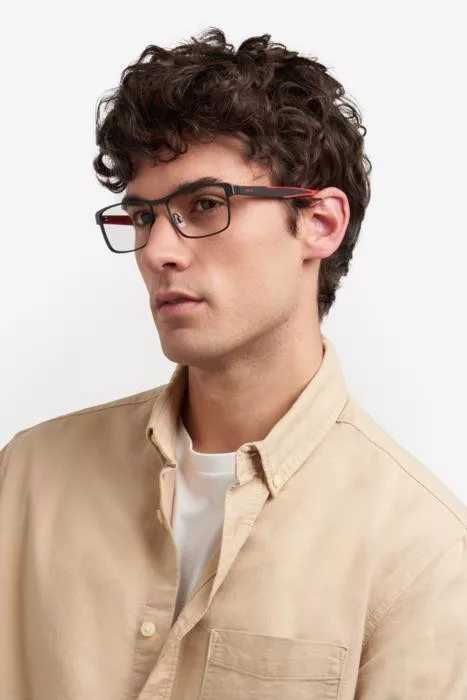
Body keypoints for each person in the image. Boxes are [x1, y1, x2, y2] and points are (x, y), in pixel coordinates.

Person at [1, 28, 466, 700]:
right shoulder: (27, 478)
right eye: (143, 217)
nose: (157, 251)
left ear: (319, 223)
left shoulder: (423, 551)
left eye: (204, 205)